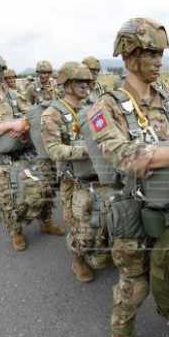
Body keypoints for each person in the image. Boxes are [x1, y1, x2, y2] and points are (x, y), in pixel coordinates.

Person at [86, 18, 169, 337]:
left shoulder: (167, 97)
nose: (158, 61)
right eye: (151, 53)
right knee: (134, 285)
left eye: (160, 54)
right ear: (128, 55)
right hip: (134, 209)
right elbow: (123, 157)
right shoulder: (105, 107)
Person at [0, 52, 63, 250]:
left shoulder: (14, 94)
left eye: (0, 69)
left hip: (23, 148)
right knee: (8, 195)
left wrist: (25, 127)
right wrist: (9, 125)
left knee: (44, 184)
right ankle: (16, 231)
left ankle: (45, 221)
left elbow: (30, 114)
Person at [41, 62, 112, 282]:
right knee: (79, 226)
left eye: (88, 82)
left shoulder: (94, 107)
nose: (86, 86)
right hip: (74, 180)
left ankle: (103, 250)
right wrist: (86, 150)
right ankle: (78, 260)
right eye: (80, 82)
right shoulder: (52, 114)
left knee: (106, 218)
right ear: (67, 83)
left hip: (100, 174)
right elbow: (53, 150)